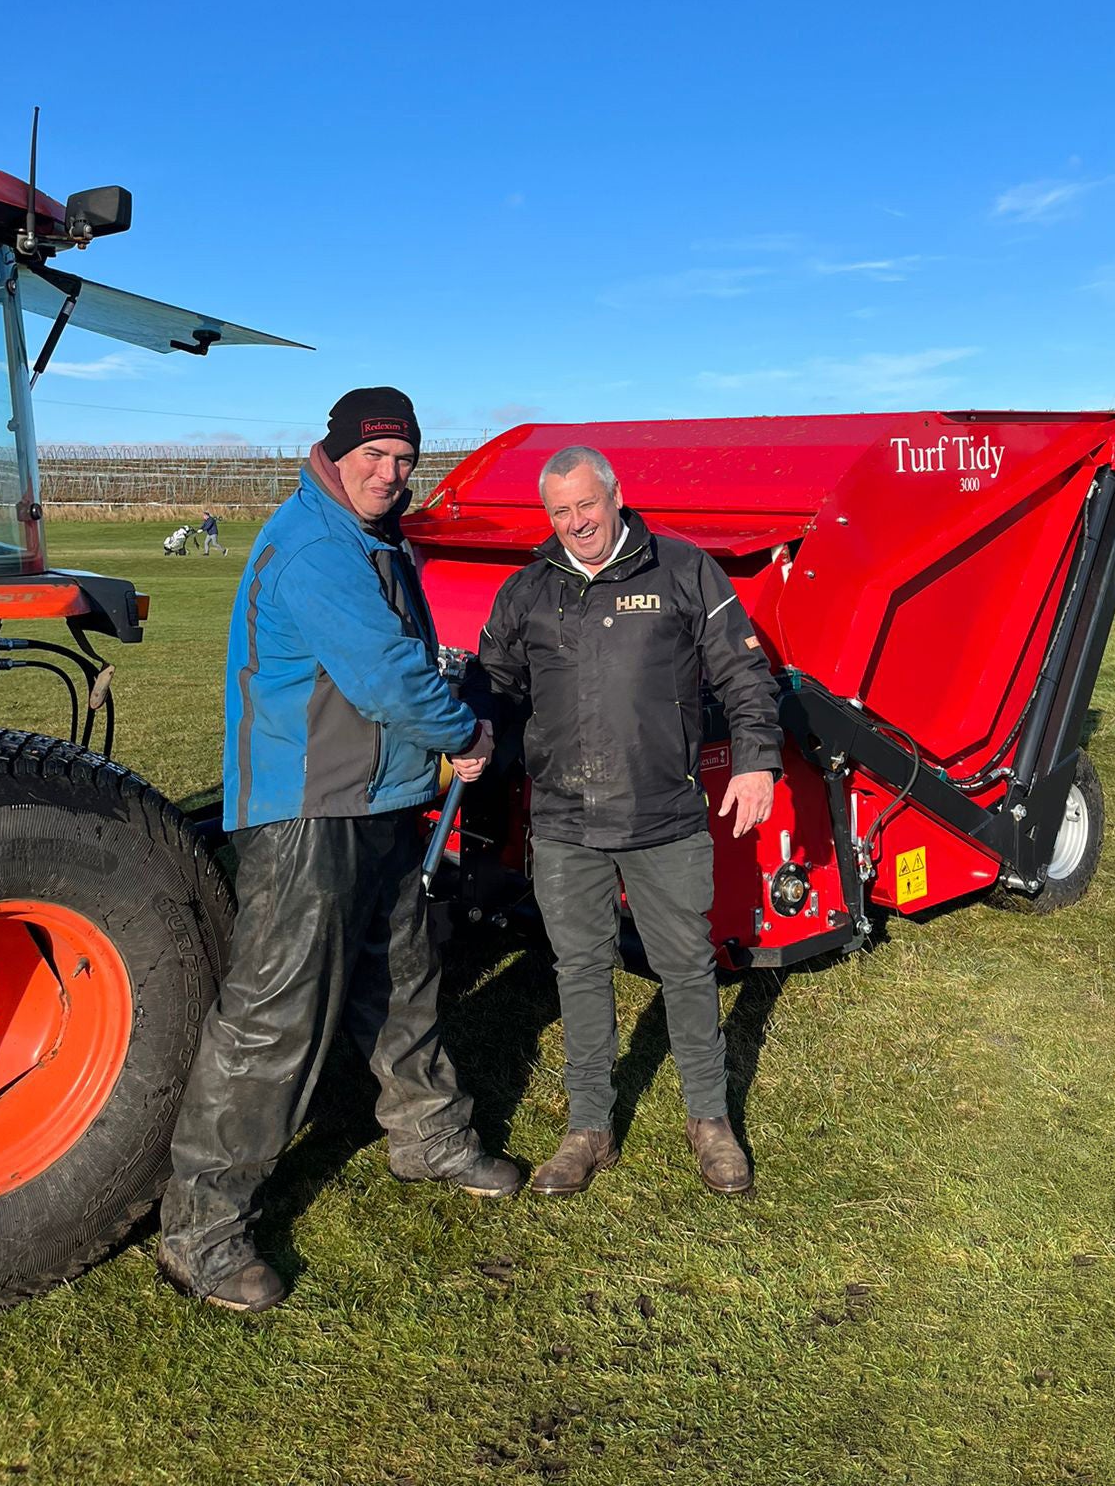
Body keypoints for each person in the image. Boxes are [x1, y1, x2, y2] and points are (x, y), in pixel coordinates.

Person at [159, 386, 518, 1313]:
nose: (390, 474)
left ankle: (428, 1134)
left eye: (405, 460)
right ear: (336, 450)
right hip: (306, 810)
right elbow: (390, 676)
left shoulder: (375, 539)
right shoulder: (320, 544)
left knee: (402, 973)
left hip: (380, 800)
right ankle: (201, 1230)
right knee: (276, 1013)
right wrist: (464, 736)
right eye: (376, 455)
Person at [476, 444, 783, 1197]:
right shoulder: (527, 590)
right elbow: (491, 683)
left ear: (615, 496)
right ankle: (589, 1127)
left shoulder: (681, 570)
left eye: (586, 504)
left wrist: (755, 760)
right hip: (564, 822)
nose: (576, 522)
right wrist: (474, 733)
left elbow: (744, 672)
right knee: (579, 971)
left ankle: (710, 1121)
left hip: (663, 815)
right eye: (560, 511)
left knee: (685, 968)